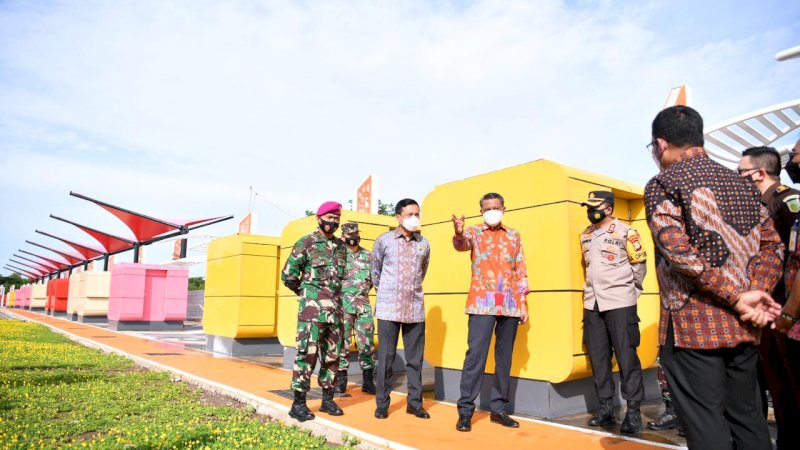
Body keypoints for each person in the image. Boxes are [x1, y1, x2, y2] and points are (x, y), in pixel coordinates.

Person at [644, 105, 783, 450]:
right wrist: (755, 293)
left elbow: (679, 253)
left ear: (661, 144)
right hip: (743, 325)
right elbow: (774, 248)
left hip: (693, 329)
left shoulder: (664, 183)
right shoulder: (745, 185)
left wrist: (737, 296)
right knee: (749, 420)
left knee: (707, 427)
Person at [451, 193, 530, 432]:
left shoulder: (514, 235)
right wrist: (457, 231)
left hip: (510, 303)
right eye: (487, 208)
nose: (492, 211)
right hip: (481, 303)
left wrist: (523, 302)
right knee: (475, 356)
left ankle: (498, 409)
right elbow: (460, 245)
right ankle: (465, 411)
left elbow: (521, 269)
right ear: (481, 211)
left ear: (504, 209)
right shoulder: (473, 233)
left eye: (496, 207)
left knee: (504, 358)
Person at [738, 145, 800, 449]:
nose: (738, 180)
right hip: (762, 310)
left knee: (786, 382)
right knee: (766, 380)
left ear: (759, 173)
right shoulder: (754, 205)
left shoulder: (786, 202)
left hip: (782, 310)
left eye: (741, 173)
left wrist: (789, 311)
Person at [579, 190, 647, 434]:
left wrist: (631, 292)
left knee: (627, 358)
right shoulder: (585, 236)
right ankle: (606, 408)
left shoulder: (627, 232)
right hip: (592, 304)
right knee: (599, 359)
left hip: (620, 303)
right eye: (587, 207)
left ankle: (633, 411)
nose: (590, 211)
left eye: (594, 207)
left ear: (608, 208)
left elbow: (638, 266)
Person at [281, 201, 347, 422]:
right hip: (312, 314)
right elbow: (288, 275)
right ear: (319, 219)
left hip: (335, 313)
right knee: (306, 356)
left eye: (337, 219)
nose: (334, 222)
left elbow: (342, 278)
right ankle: (298, 403)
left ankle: (327, 400)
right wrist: (307, 293)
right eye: (330, 218)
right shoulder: (306, 243)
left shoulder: (341, 247)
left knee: (332, 357)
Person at [371, 198, 431, 419]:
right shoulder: (384, 241)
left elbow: (422, 272)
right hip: (388, 309)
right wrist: (388, 292)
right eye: (410, 214)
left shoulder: (424, 243)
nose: (414, 218)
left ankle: (414, 404)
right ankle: (382, 404)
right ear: (398, 217)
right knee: (385, 359)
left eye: (417, 214)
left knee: (415, 361)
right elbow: (375, 272)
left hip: (414, 308)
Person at [334, 221, 377, 396]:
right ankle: (341, 382)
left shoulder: (369, 256)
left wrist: (360, 293)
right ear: (343, 236)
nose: (353, 238)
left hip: (363, 306)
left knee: (366, 343)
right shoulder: (337, 256)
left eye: (355, 234)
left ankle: (368, 381)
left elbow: (374, 279)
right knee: (342, 343)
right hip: (343, 306)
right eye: (349, 235)